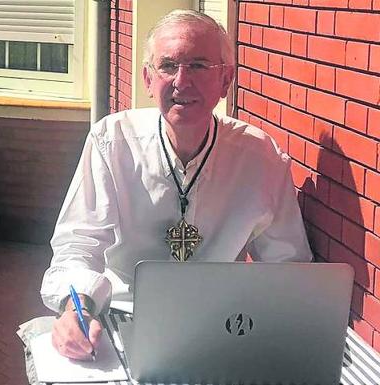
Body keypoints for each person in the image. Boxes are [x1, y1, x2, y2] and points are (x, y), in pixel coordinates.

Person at [40, 9, 313, 361]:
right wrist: (74, 308)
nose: (182, 81)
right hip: (121, 321)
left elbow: (287, 265)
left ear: (226, 80)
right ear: (147, 79)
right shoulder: (112, 141)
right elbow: (79, 243)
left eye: (199, 66)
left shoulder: (259, 156)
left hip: (219, 328)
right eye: (168, 66)